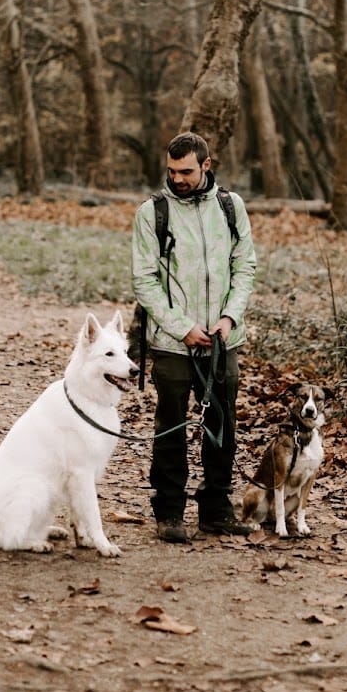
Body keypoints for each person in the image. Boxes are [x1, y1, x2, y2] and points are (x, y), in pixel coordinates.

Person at [131, 131, 257, 543]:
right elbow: (144, 281)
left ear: (206, 165)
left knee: (223, 427)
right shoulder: (153, 212)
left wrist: (228, 318)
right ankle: (169, 513)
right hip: (173, 344)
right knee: (171, 428)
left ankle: (216, 511)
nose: (178, 178)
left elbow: (245, 268)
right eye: (172, 171)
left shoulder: (231, 207)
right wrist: (182, 328)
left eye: (186, 171)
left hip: (222, 341)